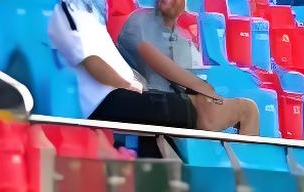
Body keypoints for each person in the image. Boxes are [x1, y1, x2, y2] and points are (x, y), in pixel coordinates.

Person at [47, 1, 198, 157]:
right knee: (186, 109)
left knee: (176, 113)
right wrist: (126, 84)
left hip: (119, 92)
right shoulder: (67, 12)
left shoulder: (93, 12)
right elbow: (91, 61)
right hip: (102, 100)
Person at [116, 0, 260, 135]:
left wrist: (211, 93)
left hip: (179, 100)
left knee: (248, 106)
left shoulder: (183, 39)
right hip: (147, 97)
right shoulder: (139, 21)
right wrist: (206, 90)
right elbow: (159, 63)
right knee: (247, 109)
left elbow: (196, 75)